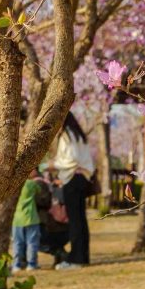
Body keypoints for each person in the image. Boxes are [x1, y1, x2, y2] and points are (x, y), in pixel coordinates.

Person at [48, 111, 94, 269]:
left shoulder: (67, 135)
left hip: (73, 180)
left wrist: (51, 165)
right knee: (81, 220)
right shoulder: (80, 136)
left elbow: (70, 159)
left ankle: (76, 259)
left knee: (75, 221)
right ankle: (83, 256)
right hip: (82, 179)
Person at [11, 168, 43, 274]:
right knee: (32, 243)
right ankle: (31, 264)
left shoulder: (14, 185)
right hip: (31, 218)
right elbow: (40, 190)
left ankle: (17, 264)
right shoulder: (31, 184)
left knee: (17, 243)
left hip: (17, 219)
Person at [37, 170, 69, 267]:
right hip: (61, 226)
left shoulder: (46, 186)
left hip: (57, 226)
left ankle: (60, 254)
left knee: (38, 242)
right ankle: (60, 257)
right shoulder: (53, 188)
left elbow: (45, 203)